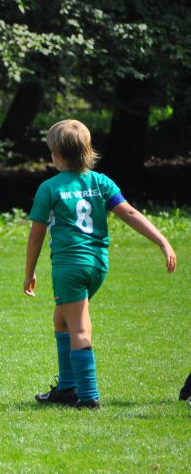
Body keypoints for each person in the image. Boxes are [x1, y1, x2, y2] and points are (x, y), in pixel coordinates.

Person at [24, 119, 177, 409]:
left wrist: (29, 272)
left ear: (57, 154)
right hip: (97, 265)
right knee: (61, 320)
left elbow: (35, 237)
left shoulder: (50, 188)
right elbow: (129, 213)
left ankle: (88, 395)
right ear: (87, 150)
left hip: (69, 267)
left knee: (79, 328)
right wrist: (162, 241)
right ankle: (67, 388)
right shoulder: (101, 182)